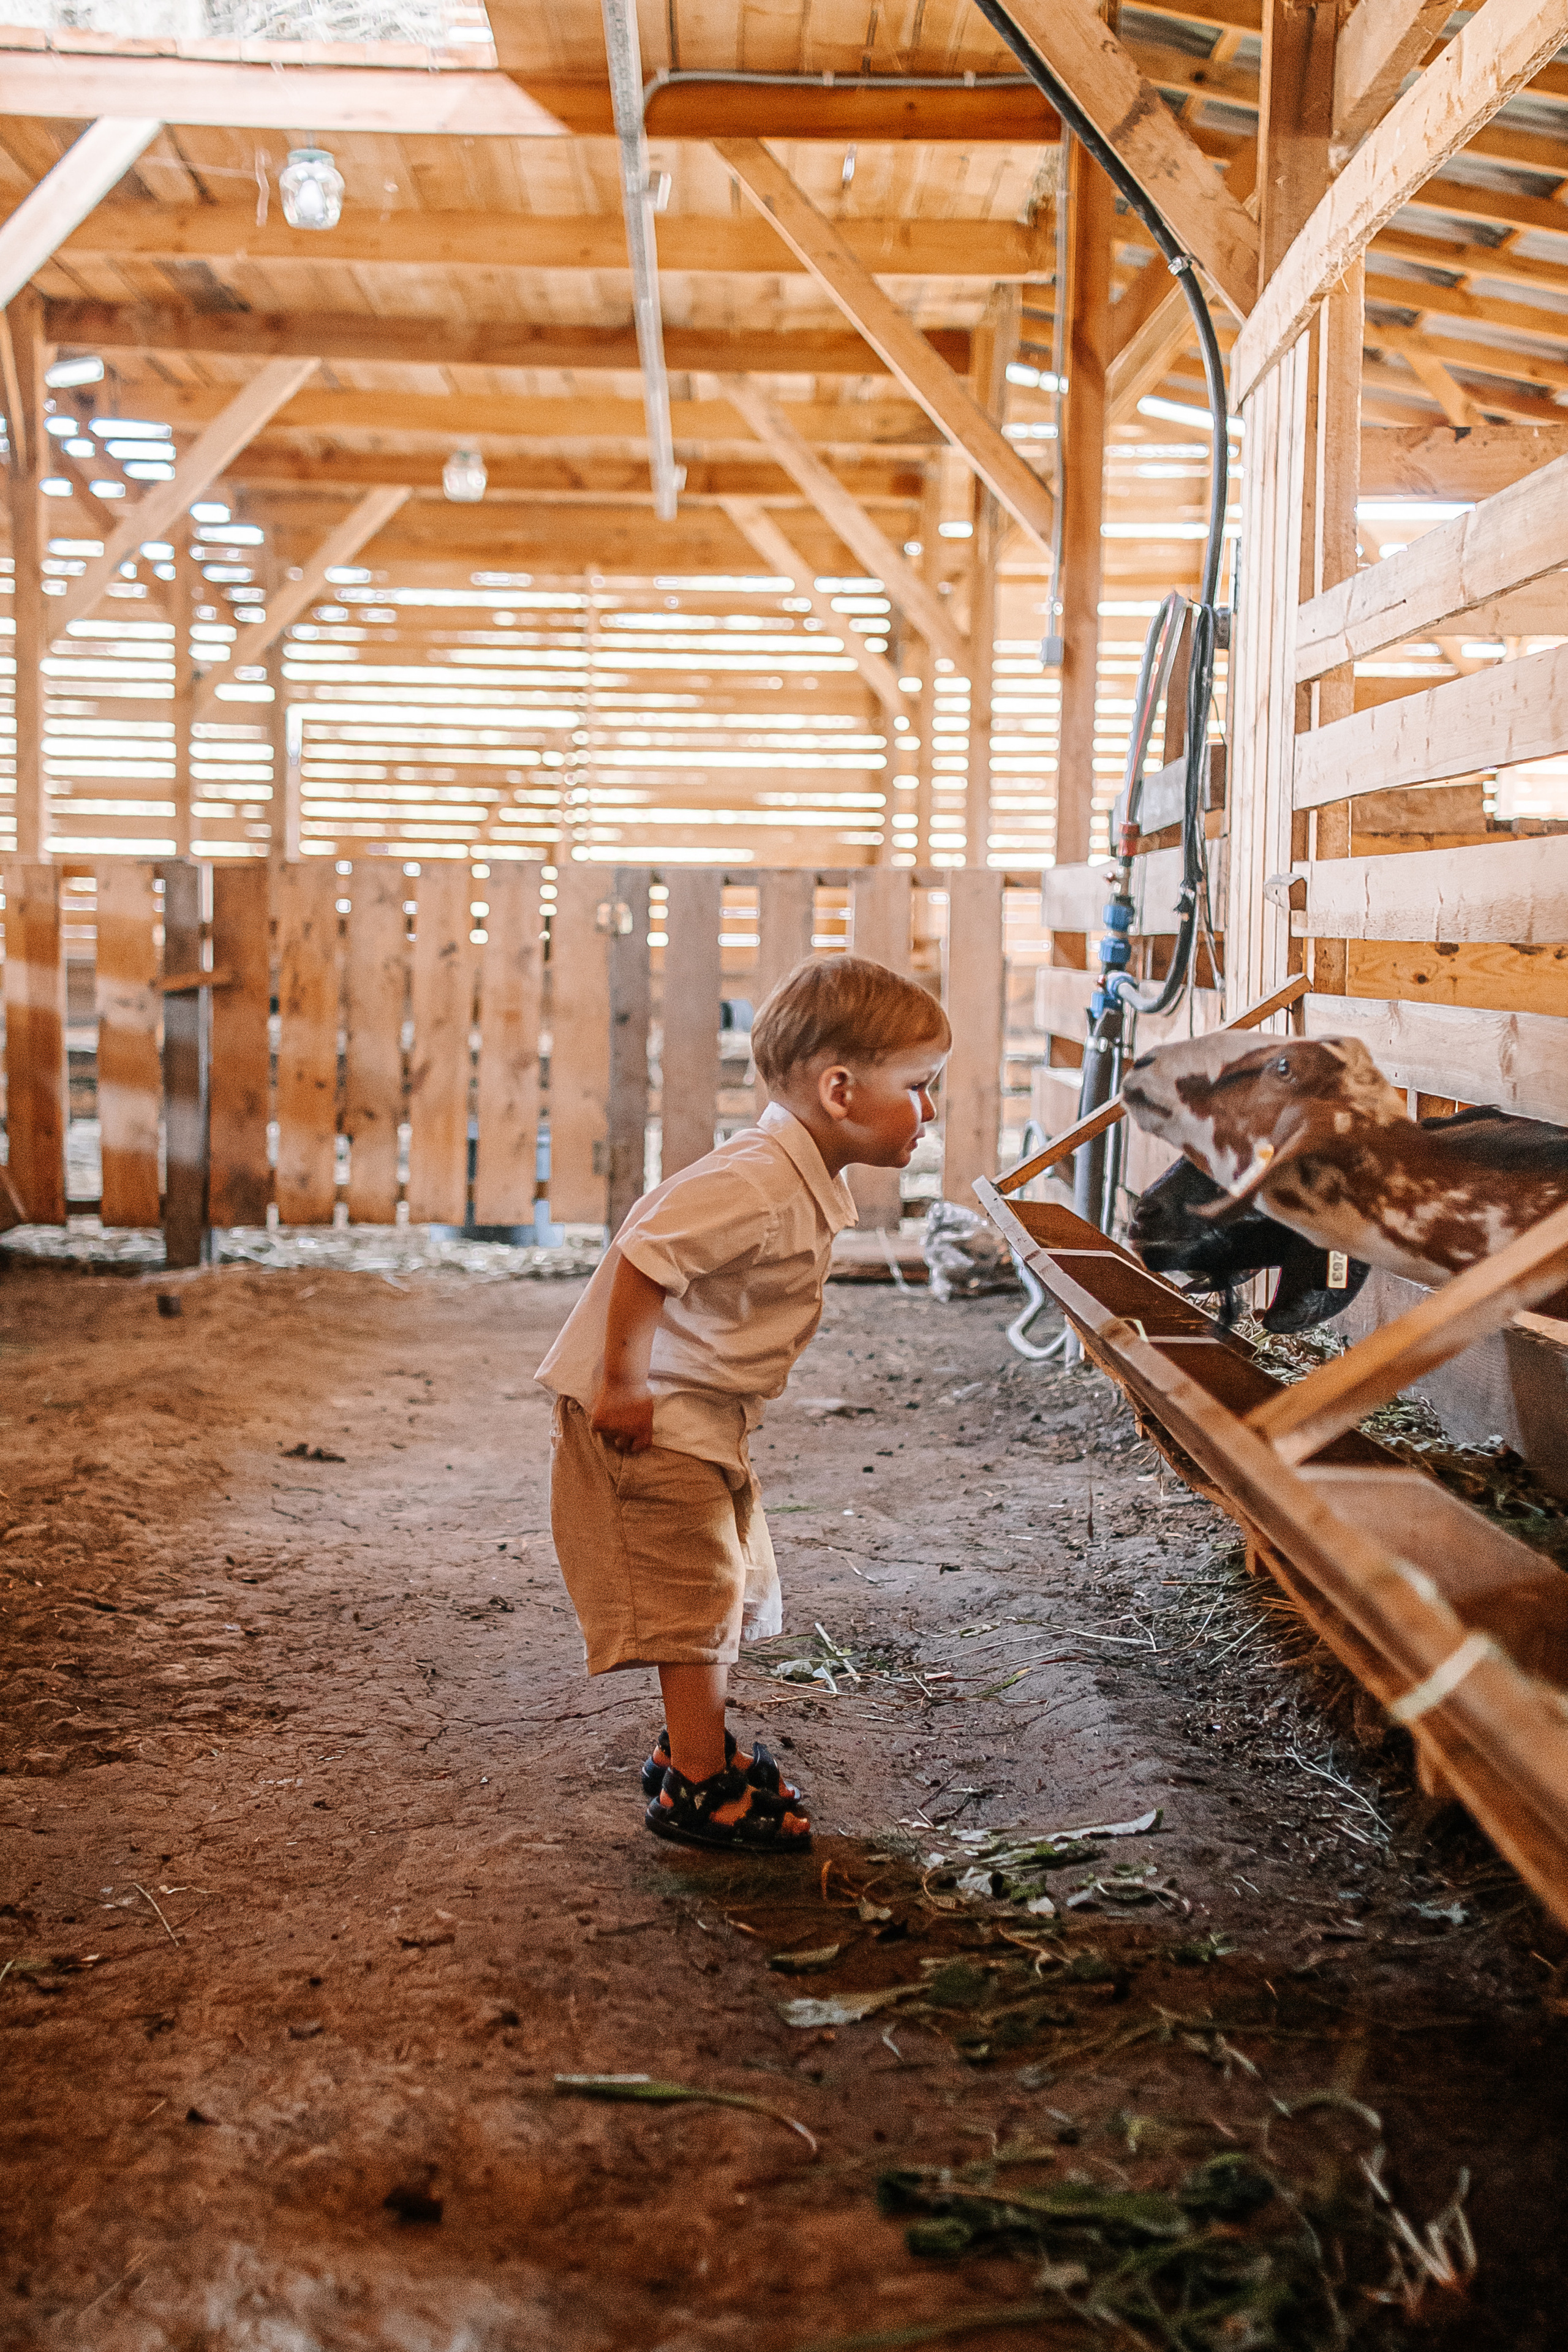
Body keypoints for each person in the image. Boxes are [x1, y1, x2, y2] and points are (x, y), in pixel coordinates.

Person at [536, 954, 951, 1853]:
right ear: (840, 1091)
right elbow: (645, 1253)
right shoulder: (758, 1177)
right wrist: (623, 1384)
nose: (932, 1111)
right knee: (695, 1590)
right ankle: (697, 1785)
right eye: (920, 1087)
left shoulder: (795, 1174)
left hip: (697, 1410)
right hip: (652, 1414)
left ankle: (694, 1750)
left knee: (714, 1576)